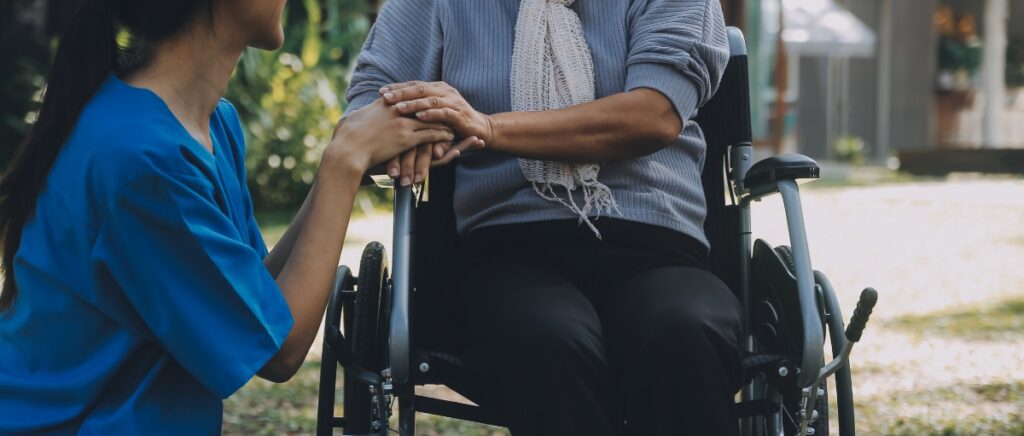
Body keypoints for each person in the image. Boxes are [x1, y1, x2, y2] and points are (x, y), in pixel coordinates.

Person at [0, 0, 477, 433]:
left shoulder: (210, 124)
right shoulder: (143, 162)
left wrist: (346, 151)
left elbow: (256, 298)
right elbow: (279, 352)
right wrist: (343, 163)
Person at [345, 0, 744, 434]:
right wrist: (422, 120)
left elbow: (655, 115)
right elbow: (366, 116)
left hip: (658, 247)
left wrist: (487, 127)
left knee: (685, 327)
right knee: (549, 336)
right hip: (507, 254)